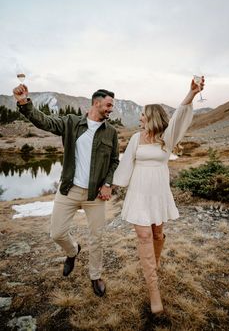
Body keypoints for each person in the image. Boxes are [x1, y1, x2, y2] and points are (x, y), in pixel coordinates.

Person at [13, 85, 119, 297]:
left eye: (112, 106)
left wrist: (107, 184)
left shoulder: (111, 132)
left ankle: (95, 276)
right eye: (108, 105)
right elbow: (44, 121)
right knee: (57, 233)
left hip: (95, 195)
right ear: (96, 103)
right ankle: (72, 251)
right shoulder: (71, 122)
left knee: (96, 237)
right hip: (68, 189)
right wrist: (25, 102)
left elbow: (114, 161)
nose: (111, 109)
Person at [112, 77, 205, 314]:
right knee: (144, 236)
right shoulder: (135, 138)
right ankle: (154, 291)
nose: (140, 117)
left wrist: (191, 94)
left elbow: (180, 116)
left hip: (158, 192)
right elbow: (126, 164)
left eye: (143, 114)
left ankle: (153, 263)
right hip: (139, 193)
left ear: (152, 116)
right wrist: (111, 186)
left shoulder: (167, 138)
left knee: (157, 233)